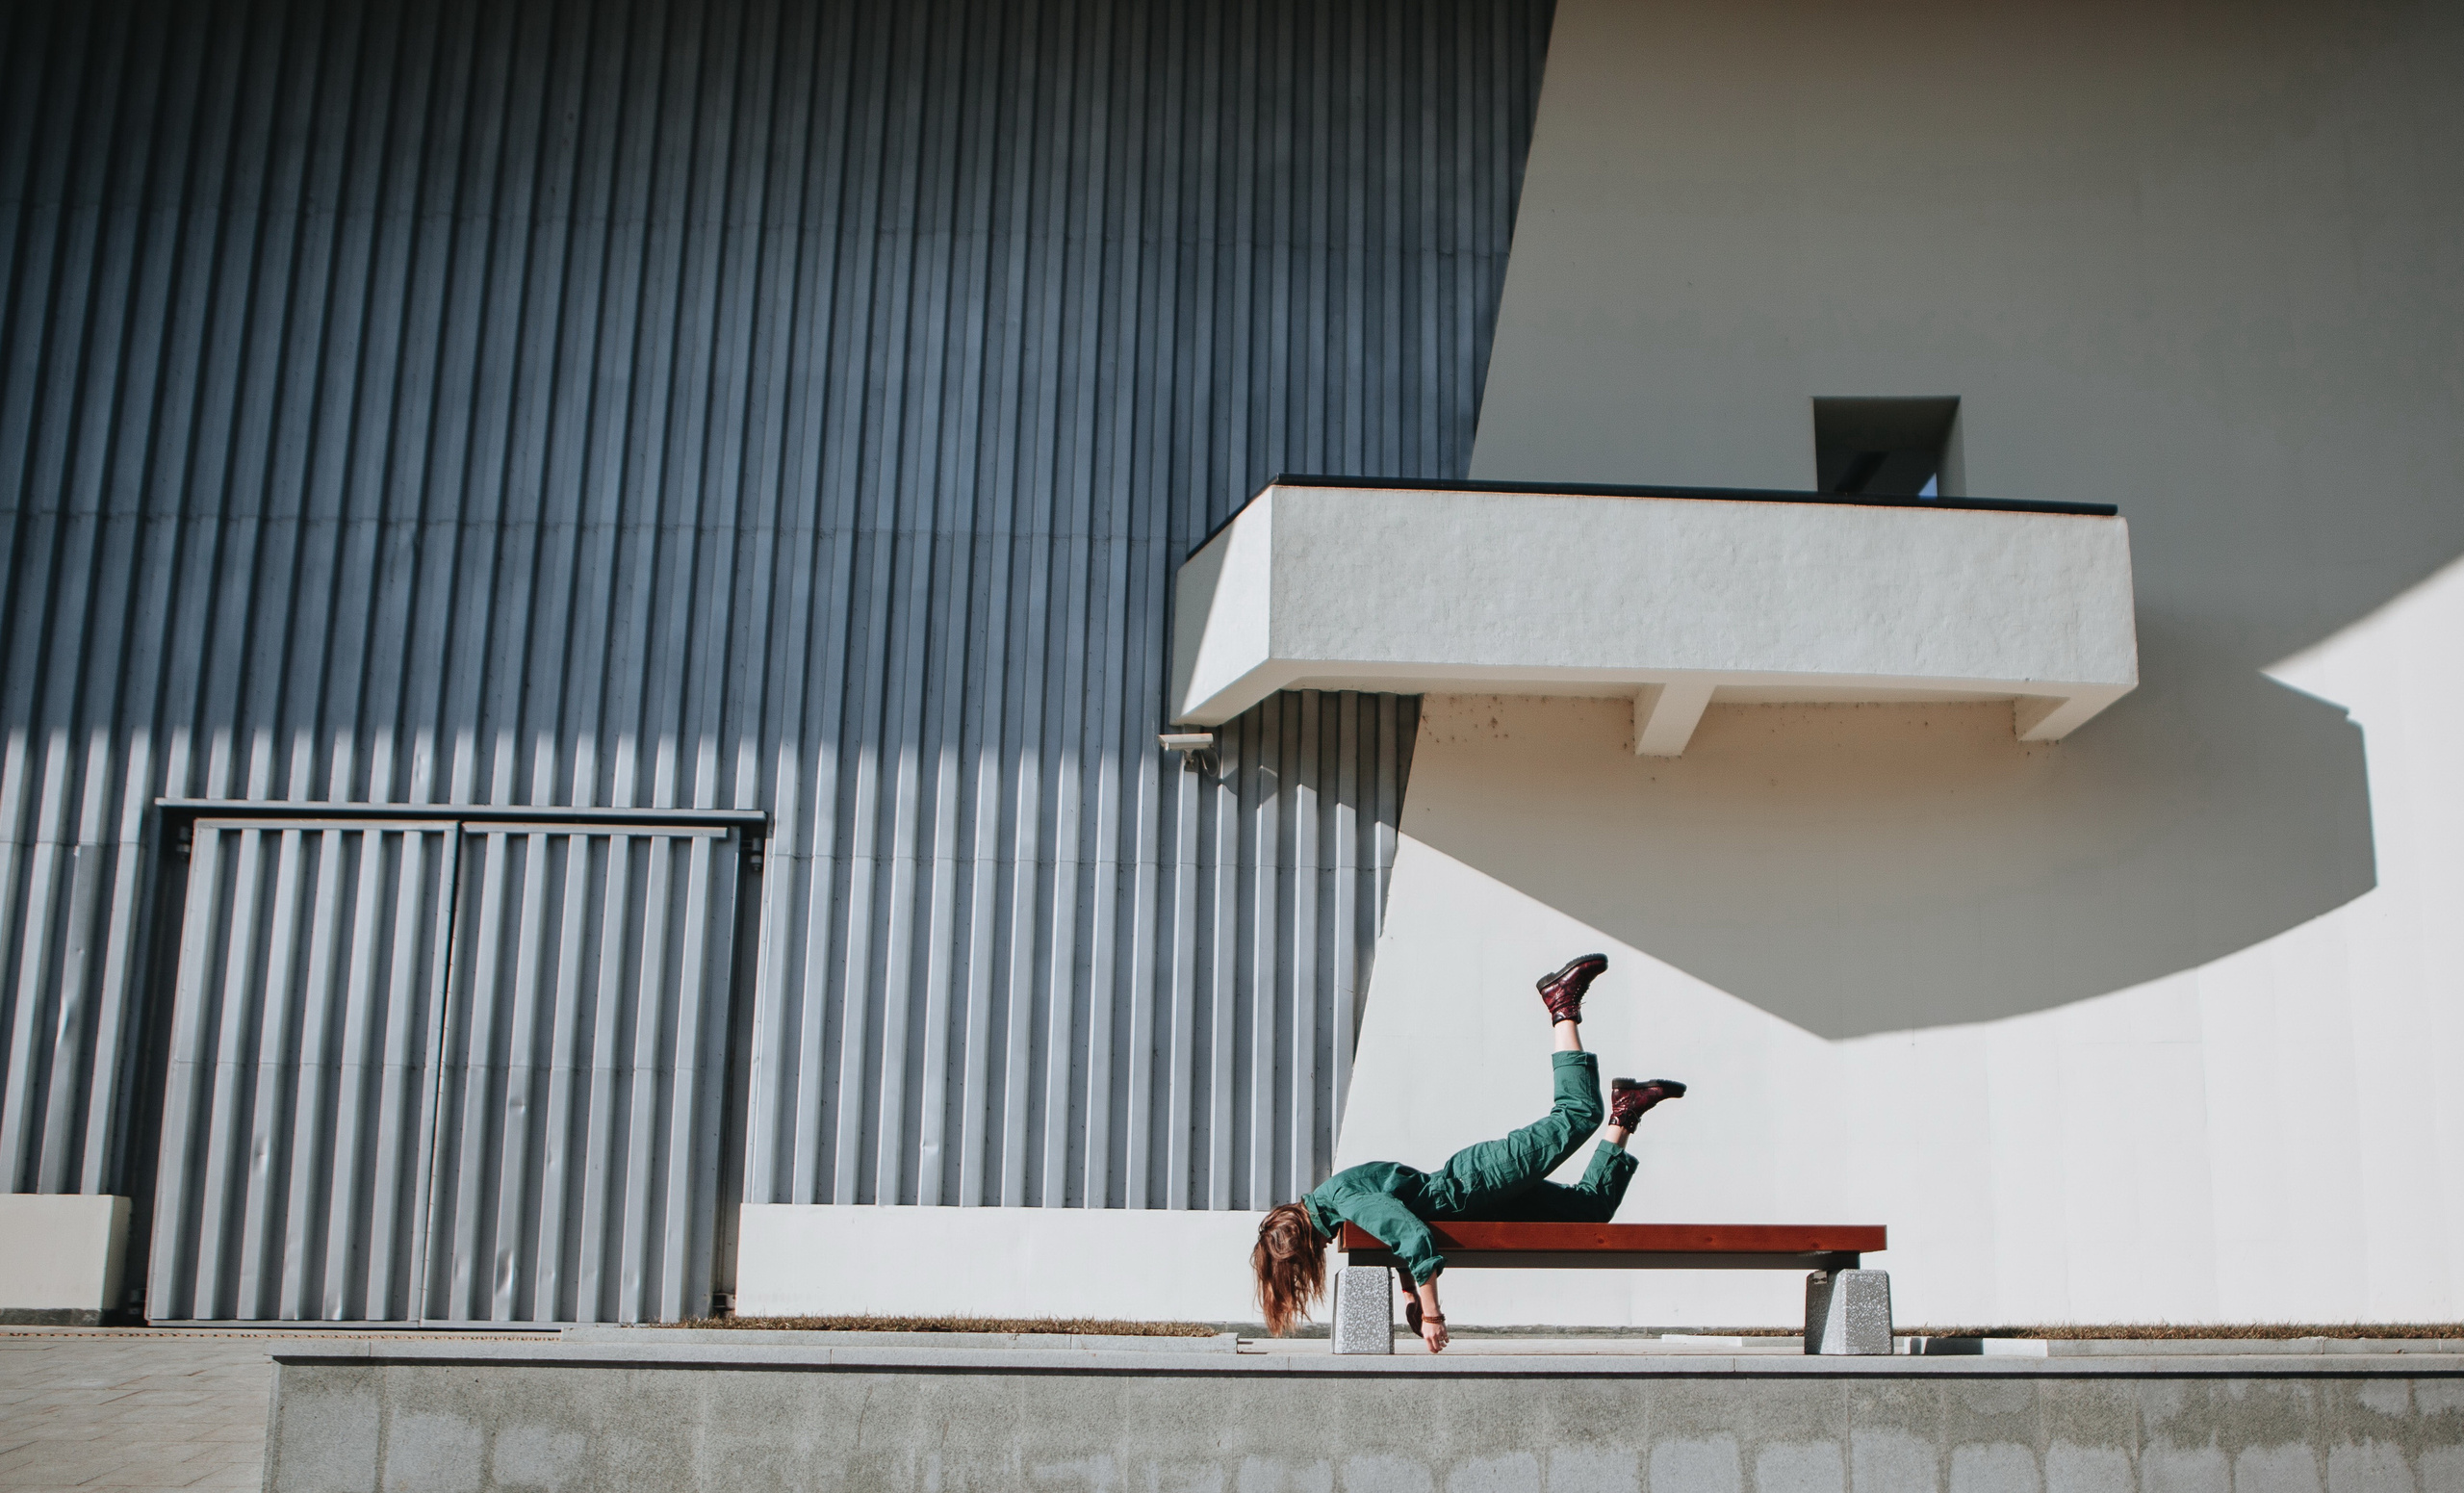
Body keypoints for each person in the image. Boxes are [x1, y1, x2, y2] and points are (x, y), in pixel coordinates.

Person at [1250, 952, 1685, 1352]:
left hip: (1479, 1181)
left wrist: (1434, 1314)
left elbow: (1412, 1235)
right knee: (1590, 1211)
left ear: (1302, 1247)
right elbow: (1399, 1230)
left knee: (1577, 1113)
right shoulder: (1338, 1206)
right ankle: (1626, 1111)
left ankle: (1561, 1005)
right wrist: (1411, 1298)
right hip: (1485, 1199)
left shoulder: (1343, 1201)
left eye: (1304, 1269)